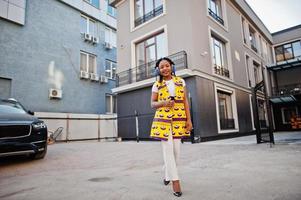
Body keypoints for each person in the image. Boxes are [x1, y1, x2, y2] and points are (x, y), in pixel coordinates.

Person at [150, 57, 193, 197]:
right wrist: (163, 102)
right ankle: (175, 181)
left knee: (176, 152)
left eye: (166, 65)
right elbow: (152, 104)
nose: (164, 69)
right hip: (163, 120)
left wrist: (189, 120)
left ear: (171, 66)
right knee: (168, 150)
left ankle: (167, 173)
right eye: (161, 67)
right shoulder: (156, 84)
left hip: (179, 119)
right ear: (159, 70)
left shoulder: (181, 81)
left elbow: (185, 101)